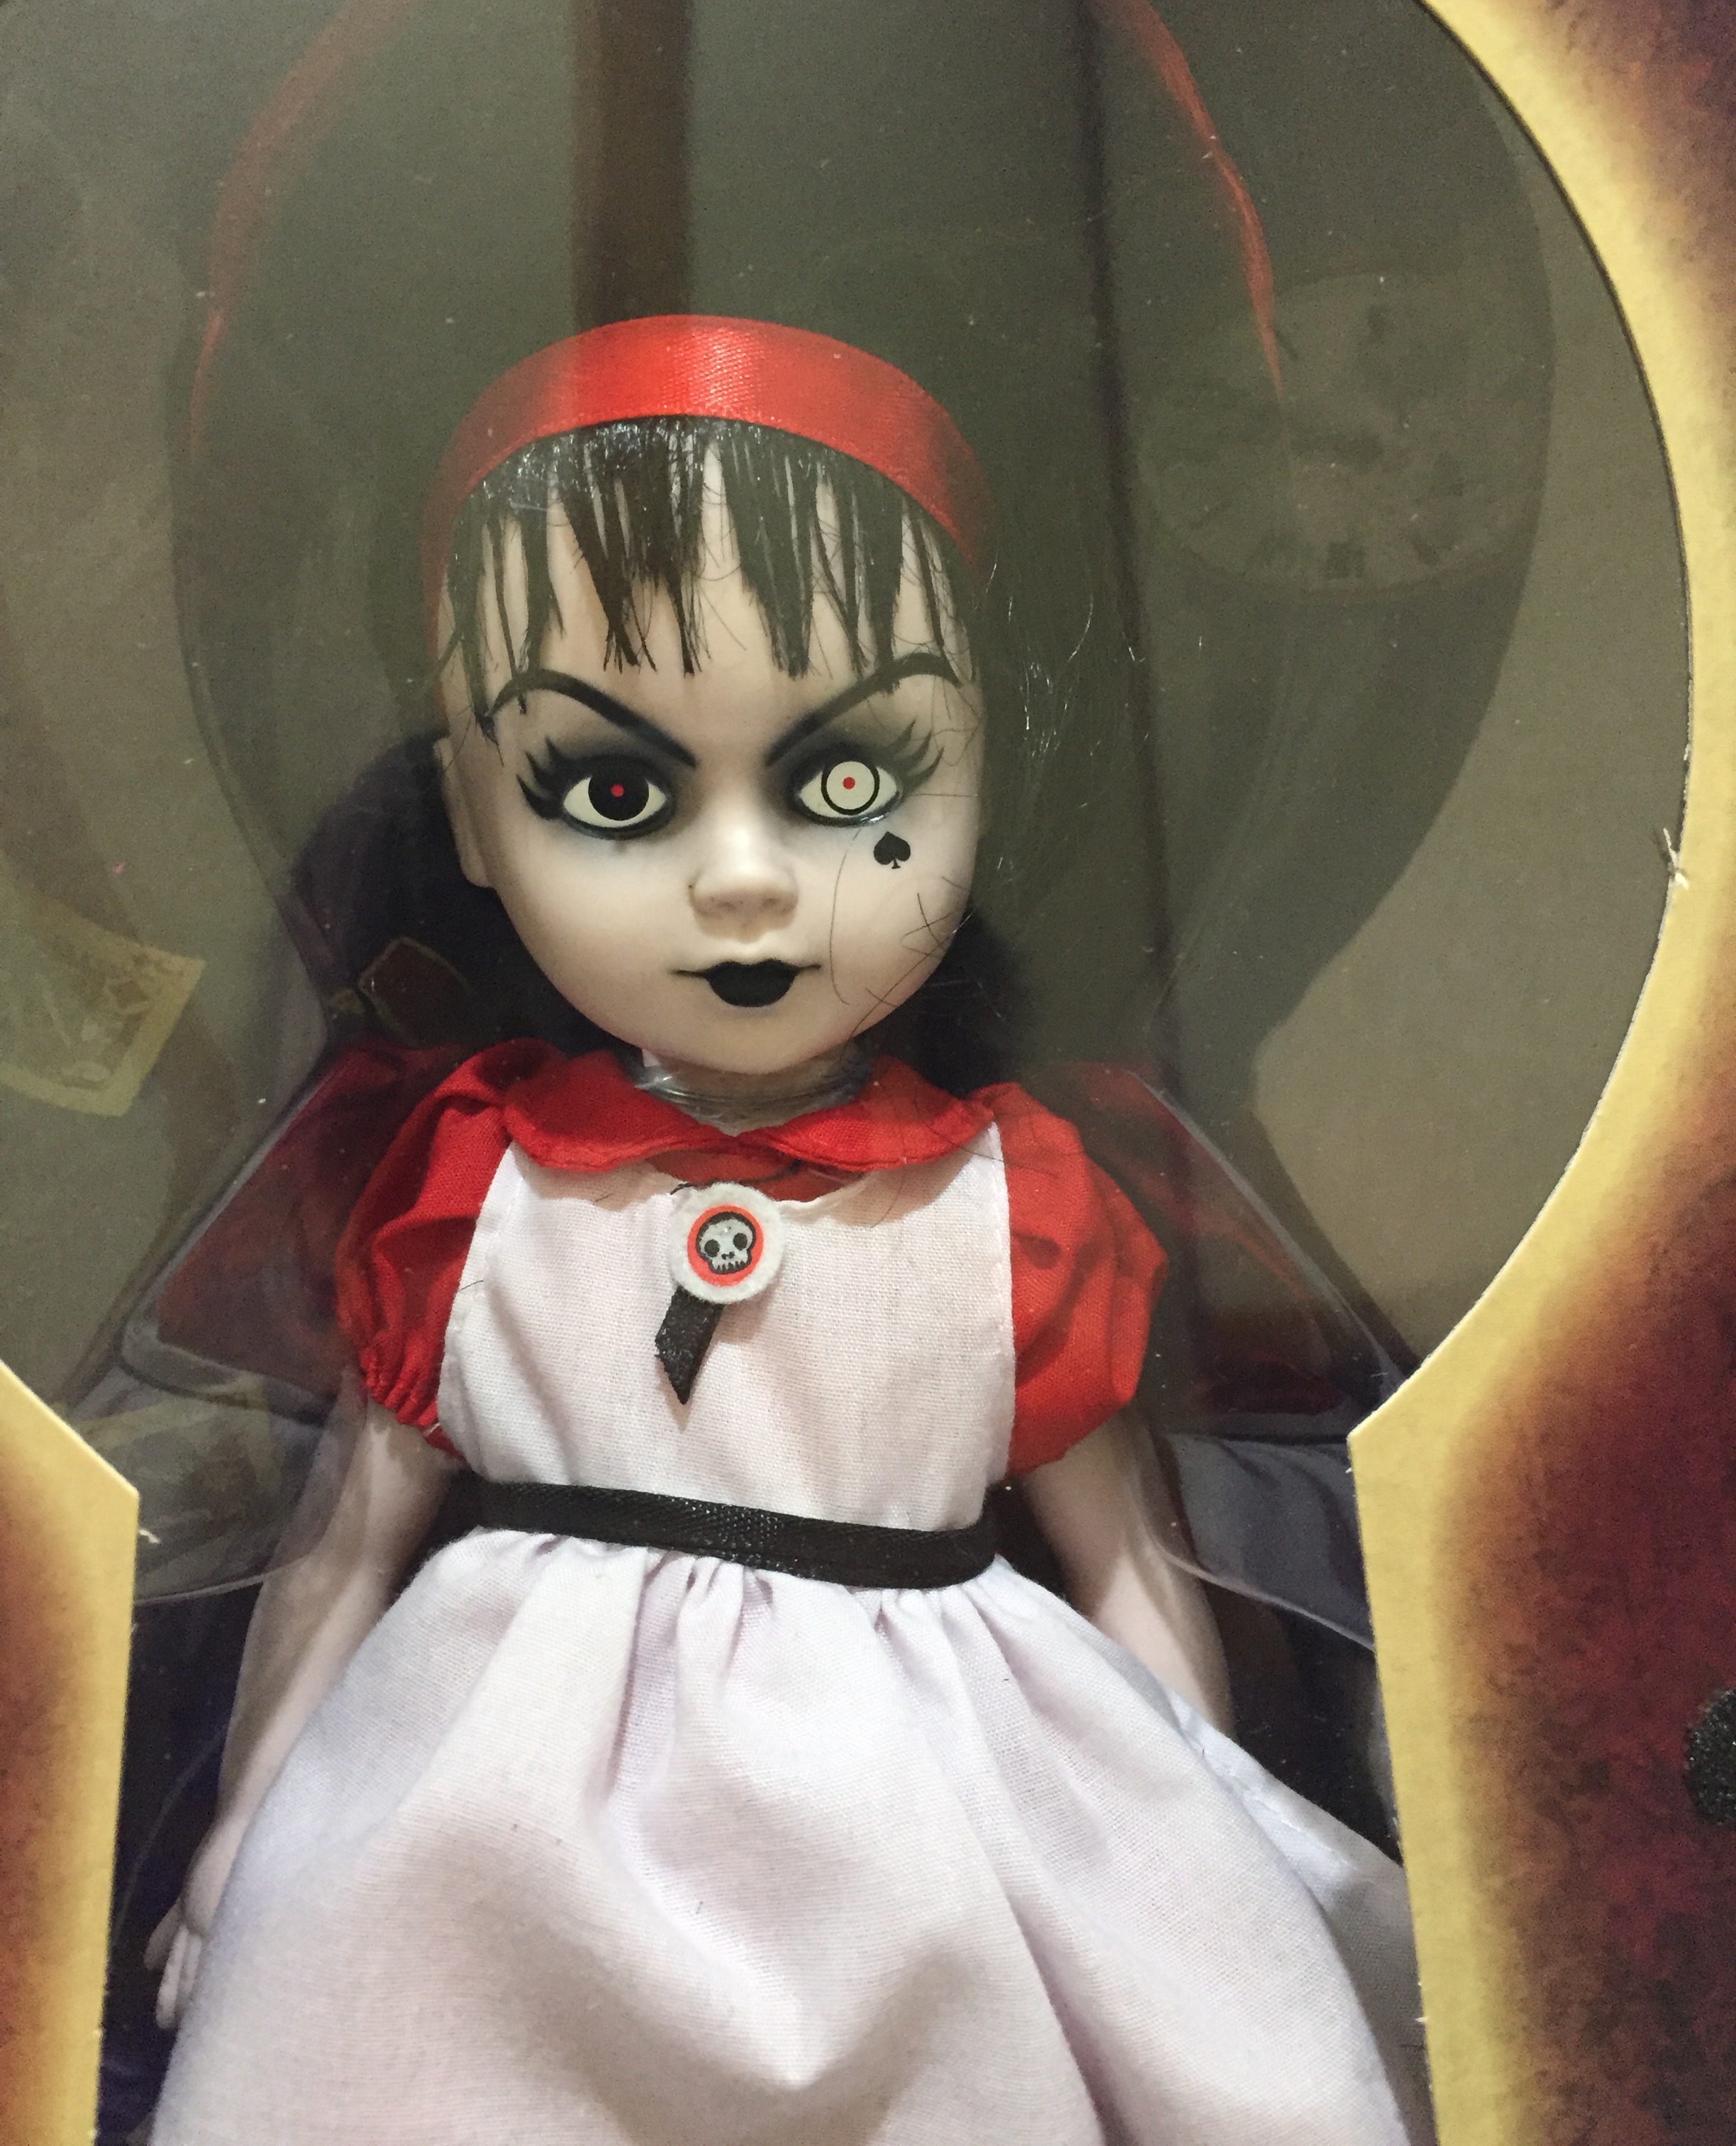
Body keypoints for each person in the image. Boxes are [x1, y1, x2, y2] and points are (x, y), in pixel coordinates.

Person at [145, 313, 1433, 2145]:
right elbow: (347, 1543)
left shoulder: (1011, 1208)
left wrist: (1208, 1843)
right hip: (492, 1847)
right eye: (614, 792)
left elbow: (1130, 1568)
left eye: (849, 782)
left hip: (921, 1837)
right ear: (472, 820)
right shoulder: (474, 1185)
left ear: (985, 772)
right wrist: (245, 1833)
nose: (743, 878)